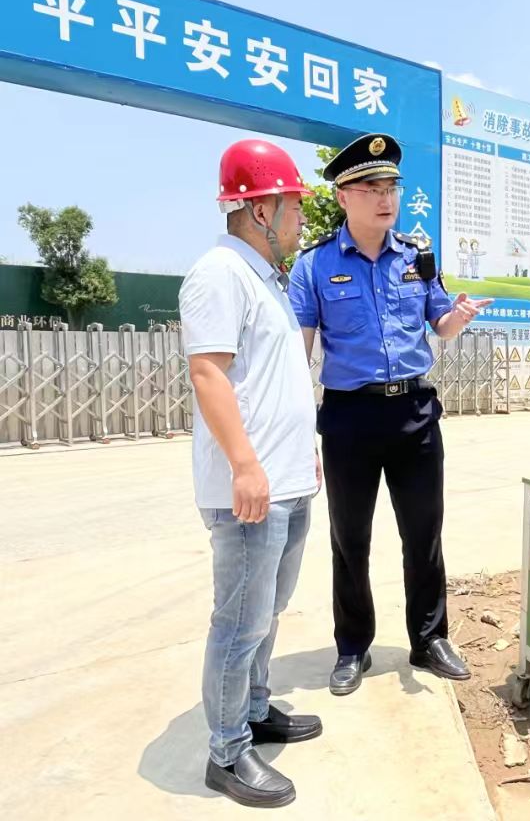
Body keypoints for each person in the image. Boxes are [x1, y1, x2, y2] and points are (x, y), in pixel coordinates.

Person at [289, 132, 492, 696]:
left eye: (392, 187)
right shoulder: (314, 266)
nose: (386, 198)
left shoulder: (416, 257)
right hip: (349, 418)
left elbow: (440, 324)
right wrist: (294, 434)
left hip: (414, 412)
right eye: (372, 188)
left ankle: (429, 639)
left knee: (424, 532)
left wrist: (458, 318)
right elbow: (298, 355)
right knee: (349, 538)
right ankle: (353, 647)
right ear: (343, 197)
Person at [179, 139, 322, 808]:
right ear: (262, 209)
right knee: (239, 622)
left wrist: (300, 450)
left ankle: (255, 710)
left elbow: (270, 381)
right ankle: (227, 751)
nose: (302, 218)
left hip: (287, 481)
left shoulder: (265, 277)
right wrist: (245, 466)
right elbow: (209, 374)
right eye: (295, 205)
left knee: (266, 612)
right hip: (251, 491)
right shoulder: (219, 273)